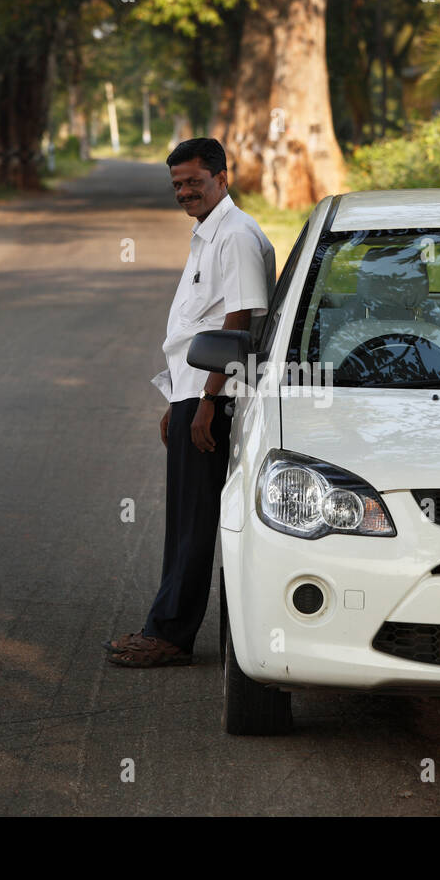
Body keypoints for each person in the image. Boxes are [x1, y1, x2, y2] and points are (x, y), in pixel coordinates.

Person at [105, 138, 275, 667]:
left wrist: (205, 402)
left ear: (222, 178)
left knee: (197, 518)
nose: (184, 192)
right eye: (177, 184)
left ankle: (171, 635)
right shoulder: (210, 234)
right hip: (195, 393)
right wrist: (177, 399)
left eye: (193, 182)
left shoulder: (237, 236)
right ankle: (166, 624)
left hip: (215, 398)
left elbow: (239, 321)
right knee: (183, 517)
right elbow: (200, 325)